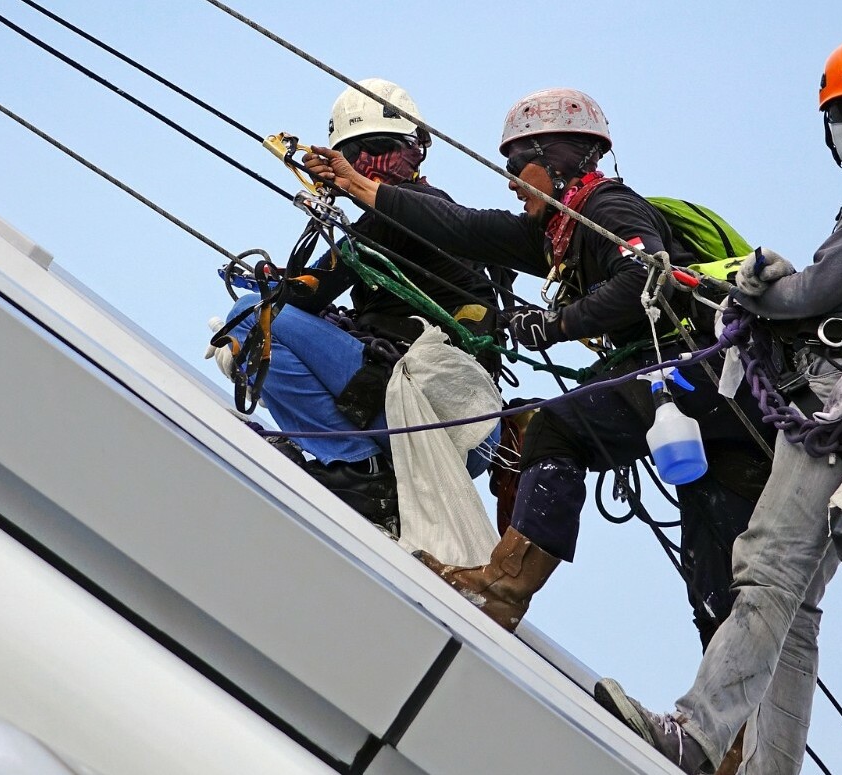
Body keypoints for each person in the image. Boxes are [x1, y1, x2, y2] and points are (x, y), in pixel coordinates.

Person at [592, 36, 842, 773]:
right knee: (795, 611)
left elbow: (818, 293)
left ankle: (694, 734)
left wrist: (752, 287)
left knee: (764, 569)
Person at [305, 88, 775, 640]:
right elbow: (463, 227)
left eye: (514, 163)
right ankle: (734, 726)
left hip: (701, 372)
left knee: (556, 425)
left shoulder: (608, 208)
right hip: (724, 402)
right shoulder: (555, 232)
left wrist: (556, 325)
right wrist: (364, 188)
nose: (508, 179)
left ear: (556, 157)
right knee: (711, 563)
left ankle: (502, 587)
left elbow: (643, 277)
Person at [221, 78, 501, 536]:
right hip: (464, 430)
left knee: (253, 316)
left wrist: (271, 283)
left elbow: (308, 291)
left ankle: (356, 467)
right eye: (354, 156)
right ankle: (370, 477)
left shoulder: (404, 210)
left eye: (379, 150)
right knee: (274, 321)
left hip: (433, 411)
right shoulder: (437, 215)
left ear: (415, 152)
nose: (367, 166)